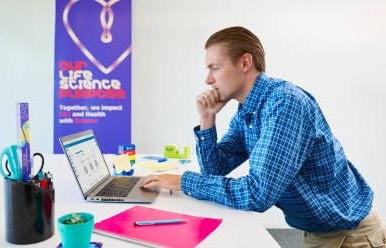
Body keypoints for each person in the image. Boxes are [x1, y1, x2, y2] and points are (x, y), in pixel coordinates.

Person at [140, 26, 386, 247]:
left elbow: (257, 194)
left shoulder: (284, 104)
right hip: (324, 231)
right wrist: (207, 120)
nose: (208, 79)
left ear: (245, 63)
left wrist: (182, 181)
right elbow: (214, 170)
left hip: (348, 236)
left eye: (215, 67)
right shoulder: (248, 110)